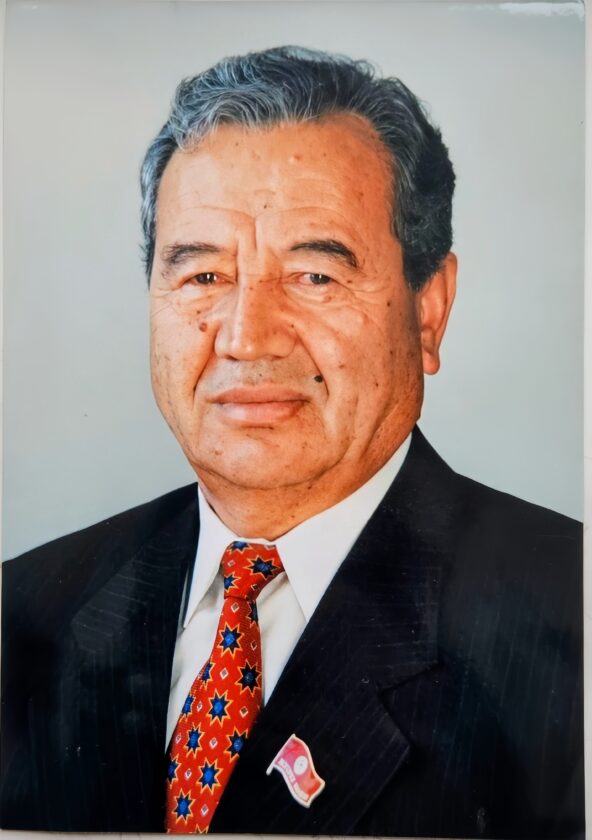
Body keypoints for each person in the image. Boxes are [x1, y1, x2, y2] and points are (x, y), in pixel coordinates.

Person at [0, 46, 583, 838]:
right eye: (203, 277)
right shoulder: (23, 612)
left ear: (429, 310)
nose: (247, 338)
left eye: (315, 276)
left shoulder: (568, 627)